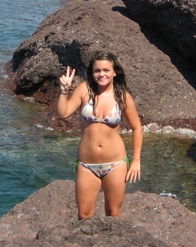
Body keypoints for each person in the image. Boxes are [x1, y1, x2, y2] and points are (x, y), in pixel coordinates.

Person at [57, 51, 143, 220]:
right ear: (92, 72)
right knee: (84, 215)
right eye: (97, 70)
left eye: (106, 70)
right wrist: (64, 91)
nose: (101, 74)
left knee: (113, 214)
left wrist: (136, 161)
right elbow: (63, 113)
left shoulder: (123, 96)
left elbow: (137, 128)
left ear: (114, 72)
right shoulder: (84, 90)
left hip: (116, 164)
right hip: (87, 165)